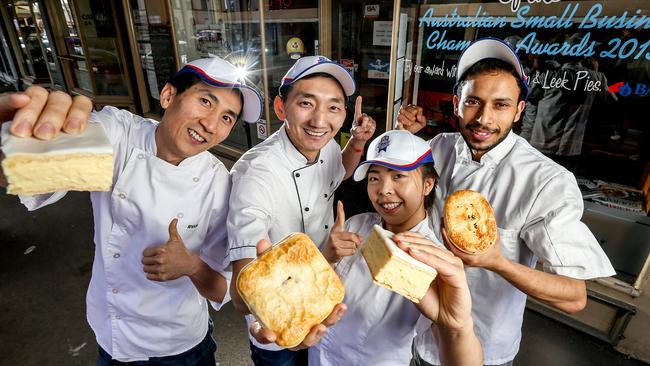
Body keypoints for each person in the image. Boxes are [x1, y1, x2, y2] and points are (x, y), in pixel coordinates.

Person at [0, 56, 263, 365]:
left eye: (227, 118)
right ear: (167, 95)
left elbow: (224, 288)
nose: (210, 124)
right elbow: (30, 168)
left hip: (178, 345)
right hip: (111, 331)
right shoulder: (118, 131)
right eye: (206, 101)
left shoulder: (218, 184)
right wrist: (15, 141)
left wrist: (191, 265)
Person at [396, 37, 615, 365]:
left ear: (519, 111)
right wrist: (405, 139)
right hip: (421, 330)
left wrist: (496, 261)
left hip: (485, 349)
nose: (484, 118)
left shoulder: (545, 181)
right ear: (456, 102)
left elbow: (574, 296)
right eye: (473, 102)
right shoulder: (439, 147)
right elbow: (400, 193)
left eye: (500, 105)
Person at [226, 55, 376, 365]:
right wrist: (328, 256)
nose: (320, 121)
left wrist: (358, 144)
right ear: (281, 108)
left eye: (333, 107)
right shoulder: (256, 175)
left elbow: (340, 170)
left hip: (323, 299)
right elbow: (243, 295)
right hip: (279, 321)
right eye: (306, 103)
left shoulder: (328, 145)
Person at [310, 129, 483, 366]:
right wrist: (326, 258)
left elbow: (458, 359)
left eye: (398, 176)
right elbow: (318, 293)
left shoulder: (433, 261)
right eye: (374, 177)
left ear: (427, 184)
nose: (383, 190)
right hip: (315, 356)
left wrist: (458, 327)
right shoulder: (357, 224)